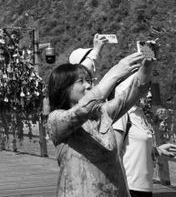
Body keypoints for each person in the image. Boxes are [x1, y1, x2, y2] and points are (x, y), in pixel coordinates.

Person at [47, 51, 151, 196]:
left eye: (89, 80)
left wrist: (148, 60)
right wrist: (114, 74)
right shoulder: (56, 120)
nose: (88, 85)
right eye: (81, 81)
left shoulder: (101, 114)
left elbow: (135, 92)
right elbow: (83, 109)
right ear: (63, 88)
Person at [114, 81, 176, 197]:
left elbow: (134, 148)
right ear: (129, 89)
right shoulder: (123, 115)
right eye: (145, 90)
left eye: (149, 90)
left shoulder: (140, 114)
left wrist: (158, 150)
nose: (150, 95)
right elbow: (115, 153)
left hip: (145, 187)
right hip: (129, 188)